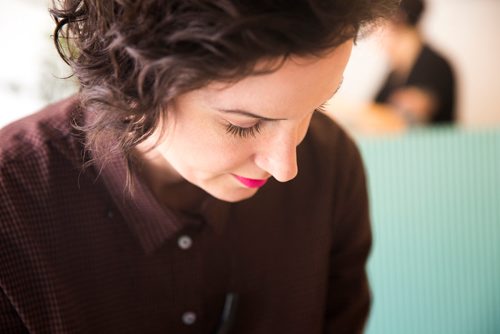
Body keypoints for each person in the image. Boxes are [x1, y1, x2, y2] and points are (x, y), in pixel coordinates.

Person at [0, 1, 397, 333]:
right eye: (243, 124)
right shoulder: (11, 211)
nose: (285, 166)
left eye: (315, 107)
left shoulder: (331, 165)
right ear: (133, 84)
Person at [374, 0, 457, 125]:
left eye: (381, 28)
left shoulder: (436, 65)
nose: (376, 39)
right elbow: (375, 107)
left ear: (398, 20)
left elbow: (417, 113)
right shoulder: (395, 70)